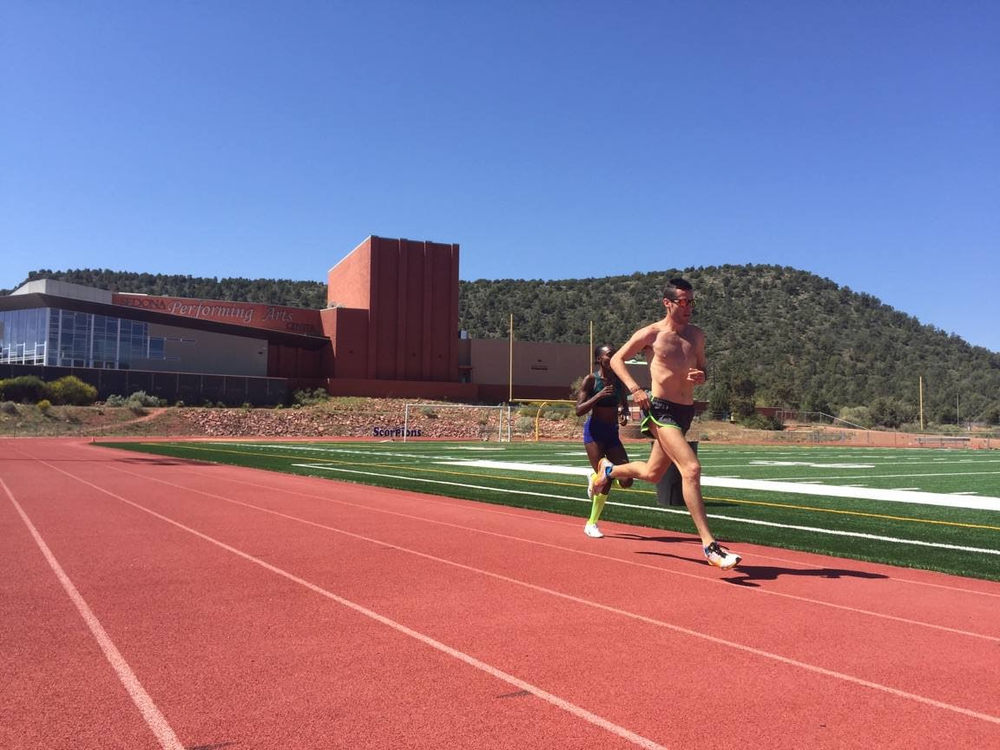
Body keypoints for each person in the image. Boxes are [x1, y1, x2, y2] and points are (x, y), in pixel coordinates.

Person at [589, 278, 742, 569]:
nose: (688, 307)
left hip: (685, 412)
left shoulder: (697, 336)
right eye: (682, 301)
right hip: (660, 411)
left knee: (652, 473)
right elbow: (618, 359)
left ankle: (607, 471)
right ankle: (710, 546)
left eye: (691, 301)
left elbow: (703, 368)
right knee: (691, 468)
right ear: (667, 303)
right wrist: (635, 389)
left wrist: (702, 376)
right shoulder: (652, 334)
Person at [576, 345, 633, 538]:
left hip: (612, 433)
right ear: (599, 359)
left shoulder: (618, 380)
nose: (613, 357)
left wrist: (624, 414)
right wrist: (598, 396)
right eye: (609, 355)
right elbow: (579, 410)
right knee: (606, 476)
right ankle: (591, 524)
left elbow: (624, 405)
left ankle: (594, 479)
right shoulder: (591, 380)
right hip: (594, 432)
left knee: (627, 480)